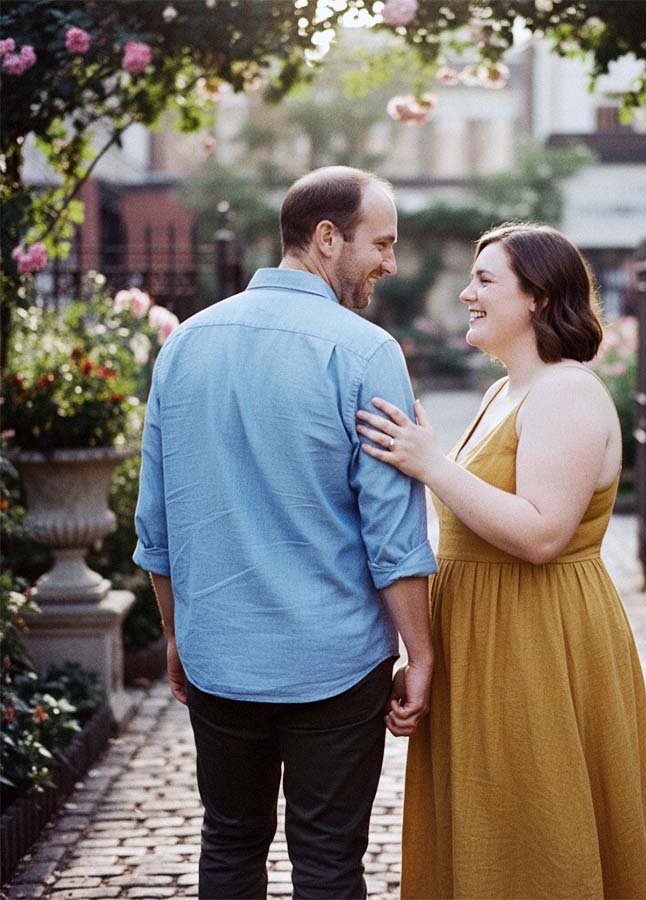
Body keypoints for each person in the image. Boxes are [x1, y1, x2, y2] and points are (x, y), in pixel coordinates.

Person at [355, 222, 646, 899]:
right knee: (489, 825)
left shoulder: (566, 392)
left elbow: (542, 534)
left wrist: (430, 464)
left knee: (536, 825)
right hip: (487, 638)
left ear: (537, 297)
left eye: (485, 280)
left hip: (538, 641)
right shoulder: (503, 391)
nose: (467, 293)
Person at [132, 165, 437, 900]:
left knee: (229, 846)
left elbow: (157, 521)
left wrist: (176, 634)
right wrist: (421, 653)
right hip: (336, 660)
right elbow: (391, 530)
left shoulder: (185, 345)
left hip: (219, 652)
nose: (390, 264)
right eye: (382, 243)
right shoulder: (367, 353)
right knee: (329, 861)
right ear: (327, 238)